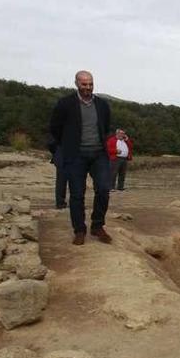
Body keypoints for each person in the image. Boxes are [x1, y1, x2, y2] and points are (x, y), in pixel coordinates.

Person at [47, 70, 112, 245]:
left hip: (99, 154)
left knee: (104, 189)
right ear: (76, 84)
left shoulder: (102, 105)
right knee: (77, 194)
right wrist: (62, 148)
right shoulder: (65, 104)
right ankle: (79, 230)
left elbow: (106, 127)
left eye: (90, 84)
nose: (88, 87)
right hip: (75, 155)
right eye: (84, 84)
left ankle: (97, 226)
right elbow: (55, 128)